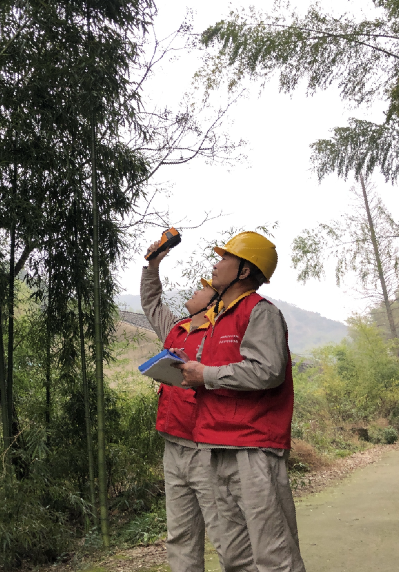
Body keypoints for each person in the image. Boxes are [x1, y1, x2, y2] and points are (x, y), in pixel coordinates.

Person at [173, 231, 305, 572]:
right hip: (215, 445)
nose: (215, 265)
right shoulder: (219, 318)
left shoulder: (259, 313)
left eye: (224, 258)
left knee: (274, 554)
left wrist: (207, 375)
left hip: (253, 447)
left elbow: (268, 371)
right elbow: (212, 367)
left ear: (244, 271)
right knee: (235, 557)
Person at [141, 244, 230, 572]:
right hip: (173, 443)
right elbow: (151, 302)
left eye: (201, 288)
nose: (194, 290)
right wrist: (152, 265)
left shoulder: (223, 333)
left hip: (207, 450)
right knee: (180, 536)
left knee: (225, 535)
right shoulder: (175, 329)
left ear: (215, 301)